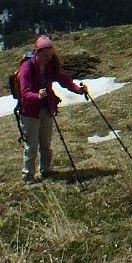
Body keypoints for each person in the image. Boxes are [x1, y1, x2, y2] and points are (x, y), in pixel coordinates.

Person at [17, 34, 88, 184]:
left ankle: (45, 170)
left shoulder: (50, 66)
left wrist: (78, 90)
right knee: (32, 144)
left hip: (46, 109)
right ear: (37, 52)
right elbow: (24, 93)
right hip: (30, 112)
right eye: (45, 55)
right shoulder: (27, 67)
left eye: (50, 55)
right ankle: (28, 175)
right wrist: (37, 96)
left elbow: (64, 80)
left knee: (46, 142)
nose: (48, 58)